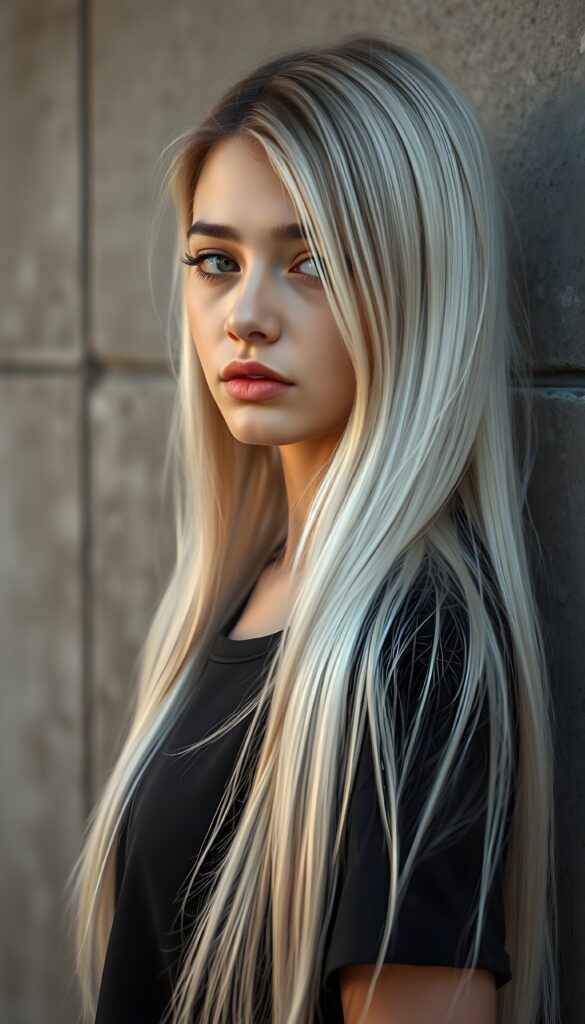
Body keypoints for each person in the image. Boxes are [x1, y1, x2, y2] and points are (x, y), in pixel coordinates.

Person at [67, 33, 559, 1024]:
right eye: (216, 260)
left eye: (312, 261)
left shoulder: (411, 651)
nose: (244, 314)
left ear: (415, 283)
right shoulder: (242, 590)